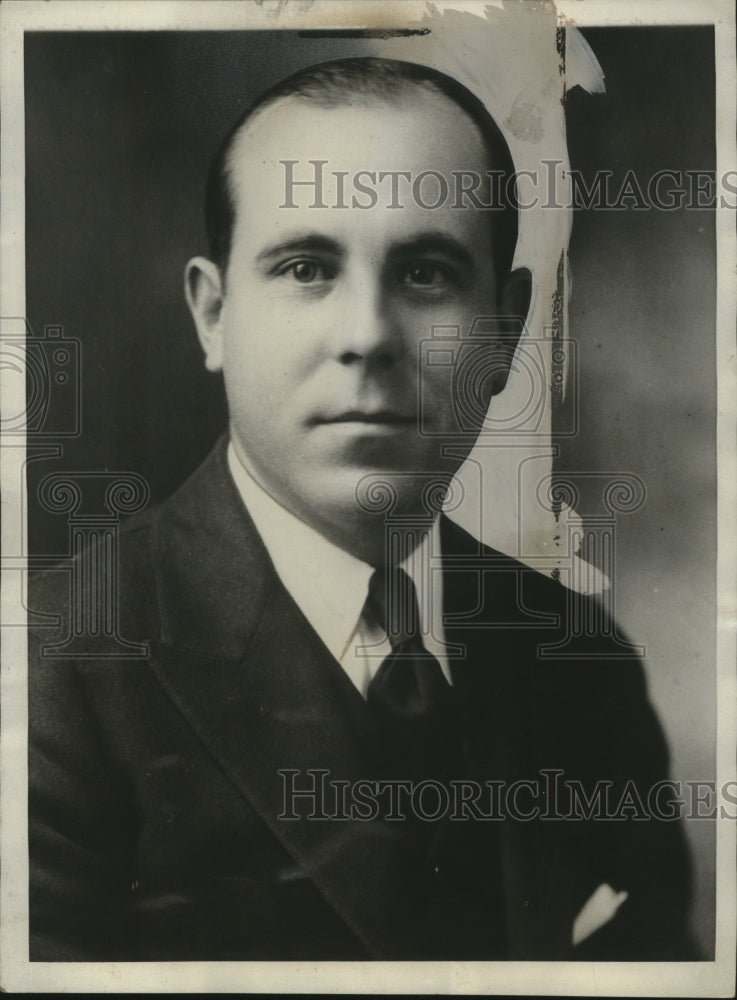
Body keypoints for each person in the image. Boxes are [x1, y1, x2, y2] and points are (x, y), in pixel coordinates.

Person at [28, 57, 694, 961]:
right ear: (214, 315)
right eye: (306, 268)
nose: (368, 337)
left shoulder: (583, 662)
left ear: (506, 330)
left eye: (425, 273)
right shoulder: (50, 673)